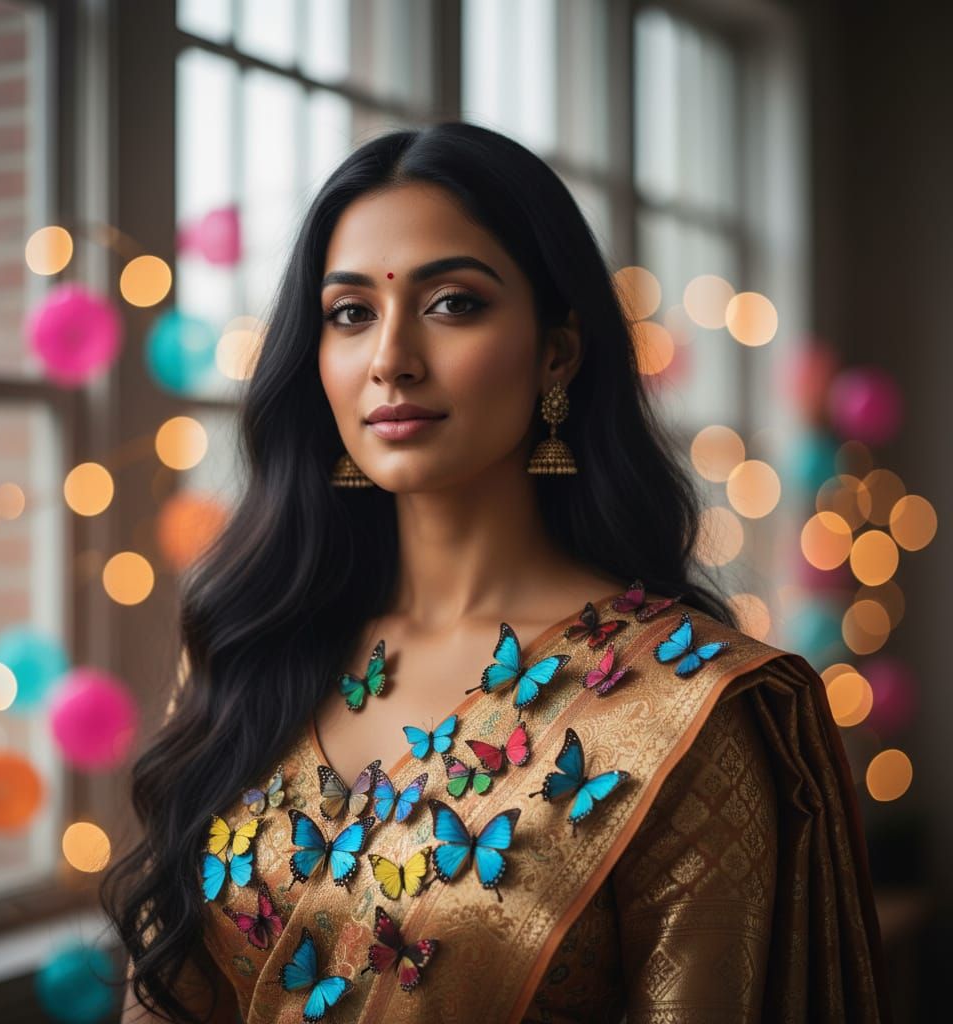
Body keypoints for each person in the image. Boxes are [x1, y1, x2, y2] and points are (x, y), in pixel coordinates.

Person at [103, 121, 890, 1023]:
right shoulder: (257, 645)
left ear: (557, 352)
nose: (392, 359)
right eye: (351, 313)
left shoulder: (682, 712)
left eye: (453, 304)